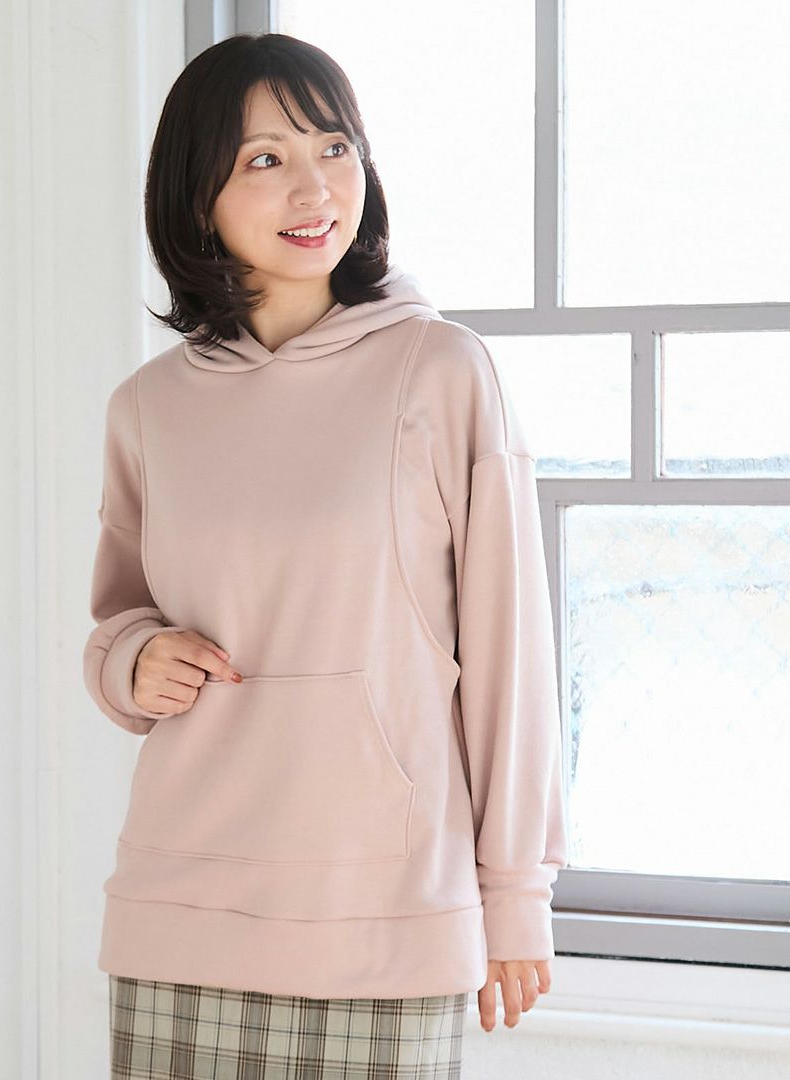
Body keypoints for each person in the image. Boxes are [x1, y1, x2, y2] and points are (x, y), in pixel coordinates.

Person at [83, 31, 569, 1080]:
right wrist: (134, 659)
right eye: (265, 158)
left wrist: (515, 891)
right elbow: (116, 622)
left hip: (381, 907)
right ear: (195, 197)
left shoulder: (441, 372)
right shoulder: (148, 409)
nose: (314, 189)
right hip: (183, 901)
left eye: (334, 147)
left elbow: (510, 655)